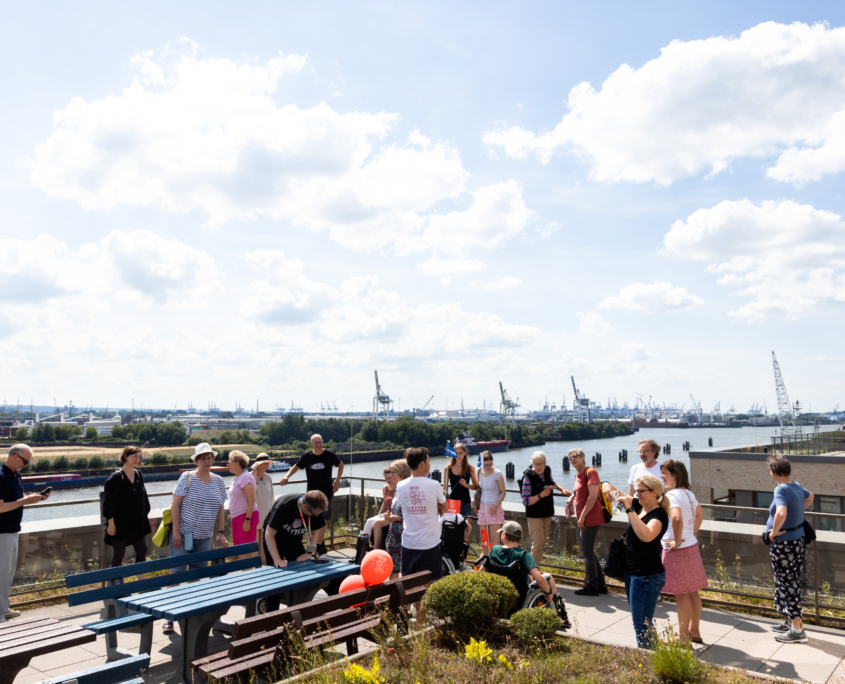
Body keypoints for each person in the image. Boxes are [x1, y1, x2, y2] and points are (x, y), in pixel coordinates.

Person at [164, 442, 229, 633]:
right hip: (183, 535)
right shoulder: (187, 477)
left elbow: (220, 507)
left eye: (209, 458)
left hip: (204, 536)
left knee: (196, 574)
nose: (206, 461)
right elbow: (174, 505)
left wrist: (221, 532)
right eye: (202, 458)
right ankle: (169, 616)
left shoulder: (218, 480)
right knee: (176, 573)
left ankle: (189, 611)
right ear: (196, 460)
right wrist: (176, 531)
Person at [616, 474, 670, 649]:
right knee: (642, 623)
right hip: (633, 574)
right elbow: (618, 494)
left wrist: (630, 510)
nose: (637, 494)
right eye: (636, 490)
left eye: (641, 491)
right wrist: (606, 486)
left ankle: (649, 661)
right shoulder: (642, 506)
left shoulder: (659, 515)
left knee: (642, 625)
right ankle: (655, 657)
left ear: (654, 492)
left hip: (647, 575)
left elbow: (646, 535)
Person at [765, 454, 813, 644]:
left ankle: (797, 630)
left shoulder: (781, 490)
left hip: (783, 543)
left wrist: (773, 532)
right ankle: (790, 619)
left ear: (773, 472)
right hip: (797, 539)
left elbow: (781, 512)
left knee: (787, 582)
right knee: (788, 579)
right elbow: (811, 497)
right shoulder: (796, 486)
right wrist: (797, 512)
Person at [660, 459, 707, 644]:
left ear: (675, 475)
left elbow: (677, 519)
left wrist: (677, 541)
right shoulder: (688, 493)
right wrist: (691, 533)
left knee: (681, 594)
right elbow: (700, 513)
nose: (662, 476)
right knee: (692, 591)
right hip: (691, 546)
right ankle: (694, 632)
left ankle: (682, 638)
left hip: (677, 550)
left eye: (665, 473)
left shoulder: (672, 496)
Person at [0, 444, 50, 623]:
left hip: (12, 530)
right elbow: (1, 507)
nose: (27, 464)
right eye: (25, 461)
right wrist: (25, 500)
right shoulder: (1, 476)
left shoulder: (15, 474)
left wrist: (34, 499)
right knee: (2, 572)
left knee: (8, 572)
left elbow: (18, 500)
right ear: (14, 456)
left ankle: (4, 608)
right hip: (2, 532)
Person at [261, 490, 328, 612]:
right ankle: (271, 619)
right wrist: (277, 559)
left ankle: (296, 611)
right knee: (275, 580)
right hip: (275, 541)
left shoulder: (315, 508)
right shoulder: (284, 506)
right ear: (305, 506)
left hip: (294, 541)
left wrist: (308, 553)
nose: (316, 517)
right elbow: (268, 534)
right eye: (314, 515)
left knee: (303, 572)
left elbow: (315, 531)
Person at [481, 520, 557, 612]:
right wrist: (549, 592)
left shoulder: (494, 550)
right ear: (520, 538)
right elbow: (540, 579)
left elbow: (481, 572)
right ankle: (554, 602)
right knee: (548, 576)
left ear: (504, 535)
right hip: (518, 601)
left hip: (496, 597)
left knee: (529, 575)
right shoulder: (523, 554)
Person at [395, 447, 447, 582]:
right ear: (422, 464)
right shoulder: (434, 484)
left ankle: (412, 604)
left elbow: (402, 505)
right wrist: (437, 505)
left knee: (410, 584)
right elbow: (445, 507)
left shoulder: (400, 485)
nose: (430, 464)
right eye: (428, 461)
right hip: (429, 543)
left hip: (408, 543)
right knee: (428, 583)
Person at [103, 446, 151, 575]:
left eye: (139, 456)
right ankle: (117, 588)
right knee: (119, 555)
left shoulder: (138, 475)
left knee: (142, 551)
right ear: (125, 457)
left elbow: (143, 497)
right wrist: (111, 523)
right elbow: (108, 503)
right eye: (134, 456)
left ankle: (141, 585)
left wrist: (144, 514)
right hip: (120, 524)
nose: (137, 459)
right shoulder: (116, 478)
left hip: (137, 522)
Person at [566, 448, 607, 597]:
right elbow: (579, 491)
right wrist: (571, 497)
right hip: (583, 518)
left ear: (583, 457)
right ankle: (600, 585)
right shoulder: (578, 474)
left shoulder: (591, 472)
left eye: (575, 456)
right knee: (589, 551)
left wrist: (582, 516)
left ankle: (593, 587)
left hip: (590, 518)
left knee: (587, 552)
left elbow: (593, 496)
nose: (572, 459)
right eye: (570, 458)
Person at [521, 451, 570, 566]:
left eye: (541, 463)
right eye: (536, 464)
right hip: (534, 514)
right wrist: (541, 495)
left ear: (545, 463)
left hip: (547, 512)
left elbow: (551, 482)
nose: (538, 466)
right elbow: (525, 501)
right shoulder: (528, 477)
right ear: (532, 464)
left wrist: (562, 489)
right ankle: (532, 573)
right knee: (537, 544)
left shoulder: (547, 470)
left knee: (542, 543)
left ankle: (534, 570)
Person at [280, 434, 343, 519]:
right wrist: (286, 477)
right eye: (316, 443)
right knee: (311, 518)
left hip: (326, 492)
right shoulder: (307, 456)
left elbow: (341, 465)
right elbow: (296, 467)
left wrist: (337, 482)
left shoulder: (329, 455)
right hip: (311, 493)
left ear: (322, 442)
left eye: (320, 442)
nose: (318, 445)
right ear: (311, 444)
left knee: (325, 518)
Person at [474, 451, 506, 555]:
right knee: (484, 540)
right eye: (486, 465)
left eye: (490, 464)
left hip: (494, 509)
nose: (488, 467)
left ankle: (495, 562)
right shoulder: (478, 471)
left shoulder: (498, 474)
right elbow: (478, 489)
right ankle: (486, 562)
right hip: (483, 509)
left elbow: (503, 492)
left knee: (495, 540)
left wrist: (496, 506)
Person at [385, 459, 411, 580]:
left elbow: (414, 514)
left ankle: (405, 595)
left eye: (393, 472)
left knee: (406, 568)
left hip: (405, 533)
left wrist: (397, 517)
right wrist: (389, 516)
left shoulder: (409, 490)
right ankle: (393, 595)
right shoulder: (397, 490)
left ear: (402, 473)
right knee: (392, 567)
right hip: (394, 532)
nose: (391, 475)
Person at [227, 450, 259, 546]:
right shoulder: (238, 478)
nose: (227, 465)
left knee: (247, 550)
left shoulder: (245, 477)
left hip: (245, 517)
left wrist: (247, 520)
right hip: (236, 517)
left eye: (229, 462)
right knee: (239, 550)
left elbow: (251, 500)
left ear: (237, 463)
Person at [443, 444, 478, 525]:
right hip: (453, 502)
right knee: (454, 530)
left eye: (461, 453)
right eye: (456, 453)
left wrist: (466, 485)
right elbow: (445, 489)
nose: (458, 455)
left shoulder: (470, 468)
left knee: (467, 529)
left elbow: (476, 486)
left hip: (466, 502)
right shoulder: (448, 468)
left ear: (465, 453)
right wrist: (443, 502)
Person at [363, 466, 397, 549]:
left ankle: (371, 547)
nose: (388, 480)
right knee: (369, 520)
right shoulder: (385, 488)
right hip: (386, 513)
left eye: (390, 478)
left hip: (394, 514)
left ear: (394, 476)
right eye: (386, 478)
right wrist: (378, 515)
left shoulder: (398, 488)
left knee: (375, 523)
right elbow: (385, 503)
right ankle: (363, 544)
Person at [251, 453, 275, 526]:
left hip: (267, 510)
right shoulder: (250, 476)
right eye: (264, 463)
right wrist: (255, 474)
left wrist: (273, 510)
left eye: (267, 463)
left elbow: (272, 495)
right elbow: (253, 491)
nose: (266, 465)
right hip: (255, 511)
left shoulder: (268, 477)